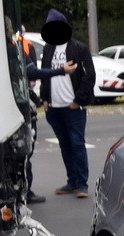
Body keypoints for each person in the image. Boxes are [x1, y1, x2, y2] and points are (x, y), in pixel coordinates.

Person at [38, 9, 97, 199]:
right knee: (65, 145)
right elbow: (44, 74)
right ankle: (72, 182)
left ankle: (82, 184)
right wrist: (44, 99)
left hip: (73, 108)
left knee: (77, 144)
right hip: (54, 109)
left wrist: (77, 101)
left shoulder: (79, 48)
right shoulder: (48, 49)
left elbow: (90, 76)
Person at [21, 30, 77, 203]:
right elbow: (34, 72)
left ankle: (24, 190)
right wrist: (61, 71)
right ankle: (25, 190)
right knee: (24, 151)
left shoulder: (16, 47)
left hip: (29, 102)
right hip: (25, 105)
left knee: (24, 153)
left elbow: (33, 72)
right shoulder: (12, 48)